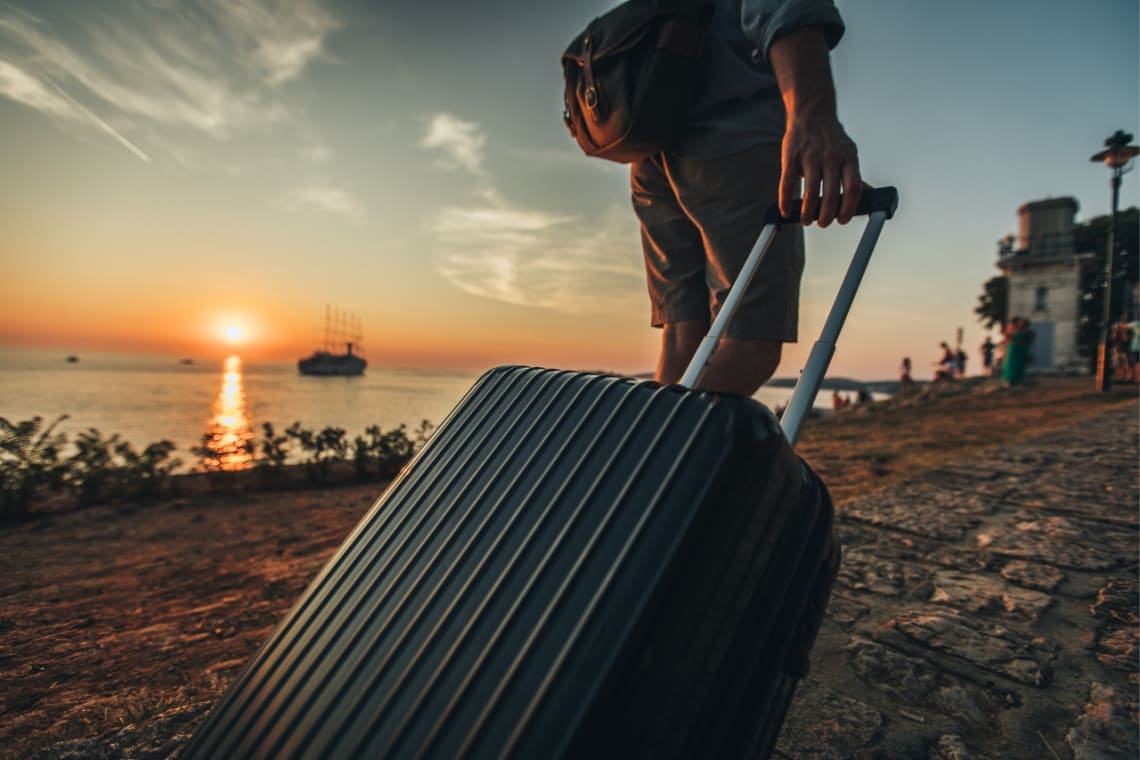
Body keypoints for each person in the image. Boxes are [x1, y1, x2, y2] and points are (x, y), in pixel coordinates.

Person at [632, 0, 862, 395]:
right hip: (732, 134)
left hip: (651, 144)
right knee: (748, 343)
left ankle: (648, 454)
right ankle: (673, 456)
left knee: (683, 336)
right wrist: (812, 115)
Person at [1002, 317, 1032, 387]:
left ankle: (1013, 381)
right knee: (1013, 365)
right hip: (1016, 350)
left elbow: (1009, 338)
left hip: (1016, 349)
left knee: (1014, 365)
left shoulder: (1022, 332)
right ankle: (1013, 381)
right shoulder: (1023, 332)